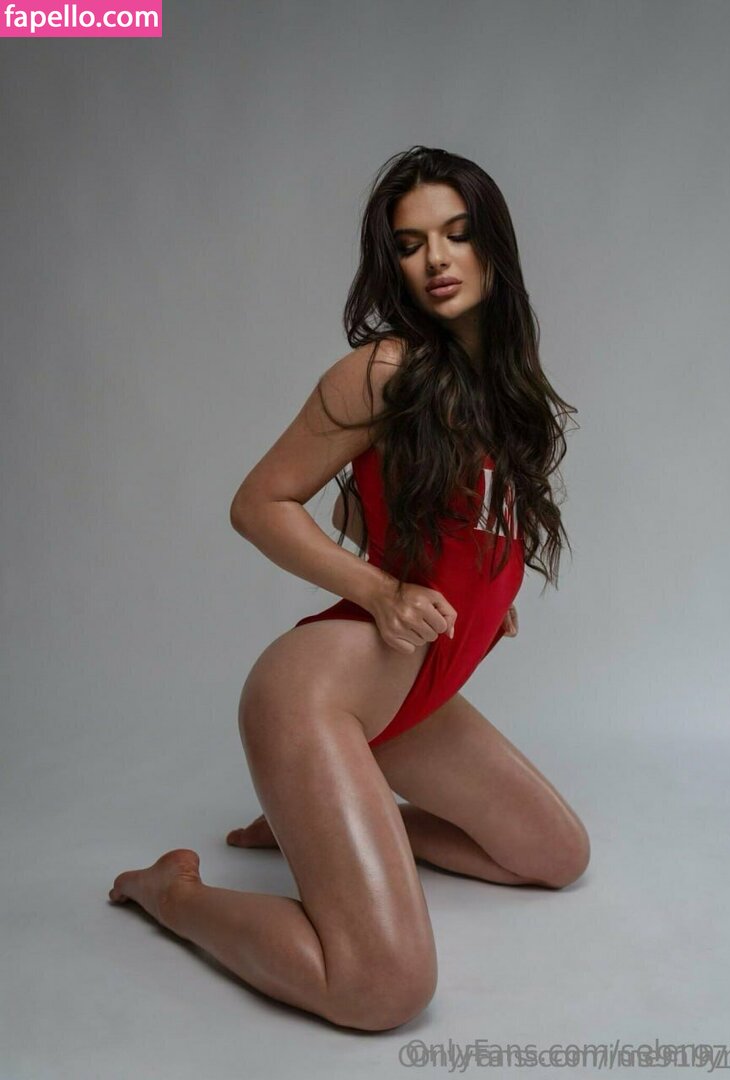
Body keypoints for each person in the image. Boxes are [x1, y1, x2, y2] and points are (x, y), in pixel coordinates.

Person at [108, 146, 590, 1031]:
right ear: (391, 264)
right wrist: (381, 592)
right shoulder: (382, 372)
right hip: (321, 695)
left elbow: (416, 520)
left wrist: (491, 593)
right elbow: (258, 504)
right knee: (382, 989)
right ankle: (171, 893)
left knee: (556, 857)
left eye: (456, 233)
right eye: (410, 244)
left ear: (493, 244)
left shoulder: (503, 388)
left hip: (411, 694)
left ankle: (324, 821)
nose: (436, 259)